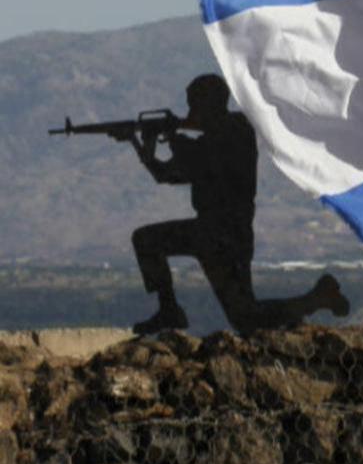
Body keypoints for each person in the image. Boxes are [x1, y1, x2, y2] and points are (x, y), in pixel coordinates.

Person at [129, 73, 349, 336]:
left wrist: (172, 134)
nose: (191, 113)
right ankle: (316, 299)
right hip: (213, 233)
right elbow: (166, 175)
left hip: (225, 233)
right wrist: (143, 147)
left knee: (148, 241)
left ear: (208, 105)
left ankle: (169, 310)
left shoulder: (235, 130)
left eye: (194, 106)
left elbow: (203, 155)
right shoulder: (216, 136)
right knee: (244, 316)